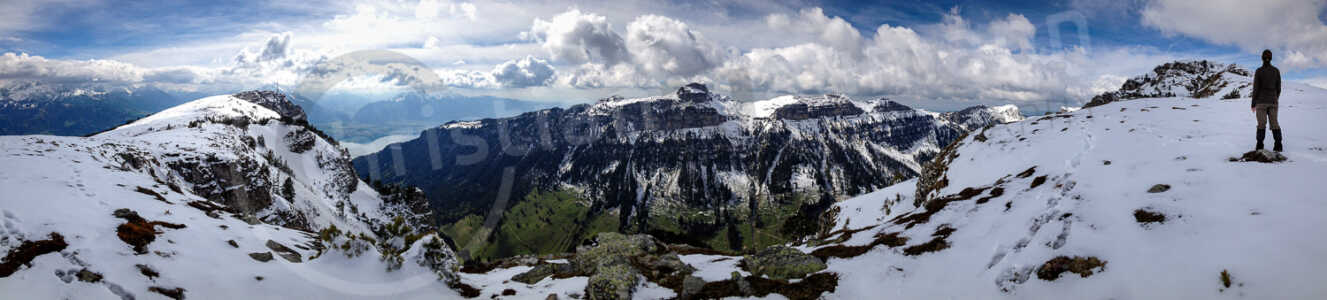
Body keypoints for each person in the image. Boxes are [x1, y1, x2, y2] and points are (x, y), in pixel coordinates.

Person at [1250, 49, 1282, 152]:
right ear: (1271, 58)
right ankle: (1278, 145)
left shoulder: (1259, 71)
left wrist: (1253, 103)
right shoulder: (1276, 71)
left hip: (1261, 102)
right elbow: (1278, 88)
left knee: (1261, 124)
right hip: (1273, 101)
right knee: (1274, 123)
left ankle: (1260, 145)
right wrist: (1275, 98)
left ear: (1262, 58)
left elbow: (1256, 88)